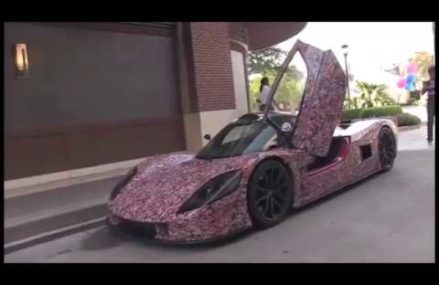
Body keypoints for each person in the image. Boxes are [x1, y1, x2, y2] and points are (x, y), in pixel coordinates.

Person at [422, 66, 435, 144]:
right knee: (430, 120)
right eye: (431, 73)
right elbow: (422, 93)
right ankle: (429, 138)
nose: (432, 74)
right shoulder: (426, 82)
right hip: (430, 102)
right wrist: (425, 88)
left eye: (434, 72)